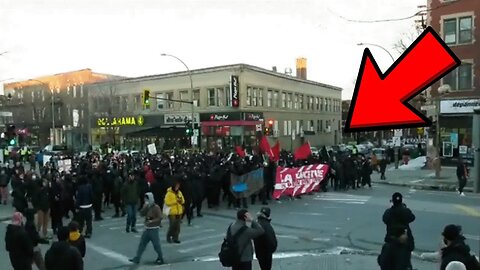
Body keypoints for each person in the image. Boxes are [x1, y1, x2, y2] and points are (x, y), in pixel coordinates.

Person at [129, 192, 165, 265]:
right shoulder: (147, 206)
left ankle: (161, 258)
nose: (146, 200)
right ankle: (137, 258)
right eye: (145, 199)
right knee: (142, 244)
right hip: (147, 228)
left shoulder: (156, 207)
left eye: (147, 199)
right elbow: (141, 214)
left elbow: (160, 217)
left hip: (154, 229)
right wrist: (144, 207)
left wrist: (152, 221)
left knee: (156, 245)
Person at [383, 192, 415, 268]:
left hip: (391, 238)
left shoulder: (389, 212)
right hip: (404, 241)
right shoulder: (405, 211)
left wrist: (391, 208)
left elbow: (385, 219)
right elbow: (412, 218)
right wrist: (404, 208)